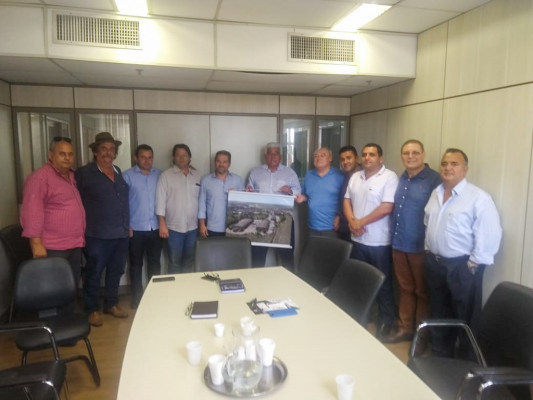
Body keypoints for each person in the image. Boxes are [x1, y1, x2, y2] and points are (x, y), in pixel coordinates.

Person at [424, 148, 502, 357]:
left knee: (465, 318)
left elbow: (489, 235)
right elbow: (428, 223)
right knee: (439, 312)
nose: (448, 167)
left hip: (462, 266)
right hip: (435, 264)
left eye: (454, 164)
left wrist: (472, 265)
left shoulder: (478, 198)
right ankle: (440, 356)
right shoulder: (436, 193)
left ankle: (465, 363)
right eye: (444, 163)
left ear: (465, 169)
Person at [383, 139, 441, 344]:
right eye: (406, 153)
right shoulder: (402, 177)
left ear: (423, 155)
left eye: (415, 152)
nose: (410, 156)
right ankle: (405, 328)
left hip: (420, 246)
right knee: (405, 289)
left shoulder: (434, 179)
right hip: (399, 243)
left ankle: (421, 335)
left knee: (422, 292)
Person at [343, 143, 398, 339]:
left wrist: (360, 222)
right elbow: (347, 200)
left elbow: (387, 207)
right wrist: (352, 221)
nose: (367, 158)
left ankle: (386, 321)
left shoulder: (389, 177)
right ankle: (361, 316)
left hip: (379, 242)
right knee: (360, 280)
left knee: (383, 283)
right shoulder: (356, 176)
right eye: (365, 154)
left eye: (372, 155)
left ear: (380, 158)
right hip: (357, 239)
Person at [75, 132, 130, 327]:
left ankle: (111, 304)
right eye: (104, 149)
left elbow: (122, 201)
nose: (108, 152)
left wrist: (127, 226)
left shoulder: (117, 171)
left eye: (112, 149)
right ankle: (92, 309)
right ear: (96, 152)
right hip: (96, 234)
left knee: (116, 271)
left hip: (121, 233)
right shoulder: (84, 174)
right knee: (94, 272)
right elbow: (75, 203)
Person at [20, 136, 85, 285]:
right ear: (50, 155)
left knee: (71, 286)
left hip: (74, 244)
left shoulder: (70, 176)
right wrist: (36, 242)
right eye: (62, 154)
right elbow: (32, 210)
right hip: (53, 247)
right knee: (54, 287)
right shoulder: (40, 177)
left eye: (70, 154)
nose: (67, 158)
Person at [122, 144, 162, 309]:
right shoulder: (127, 176)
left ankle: (154, 296)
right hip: (135, 229)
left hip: (155, 228)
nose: (147, 160)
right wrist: (127, 225)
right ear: (136, 158)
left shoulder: (159, 175)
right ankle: (137, 298)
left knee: (155, 263)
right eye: (143, 157)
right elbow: (122, 203)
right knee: (136, 265)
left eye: (150, 157)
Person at [156, 144, 200, 273]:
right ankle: (174, 287)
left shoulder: (196, 175)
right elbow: (160, 201)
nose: (181, 158)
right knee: (174, 263)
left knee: (189, 261)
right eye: (178, 155)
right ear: (173, 158)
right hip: (173, 229)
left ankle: (187, 286)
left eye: (184, 155)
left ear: (189, 158)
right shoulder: (166, 176)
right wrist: (162, 224)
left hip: (193, 228)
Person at [296, 147, 344, 238]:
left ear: (330, 158)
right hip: (311, 227)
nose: (318, 158)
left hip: (332, 228)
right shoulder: (309, 175)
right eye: (316, 156)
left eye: (322, 155)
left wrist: (339, 216)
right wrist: (303, 198)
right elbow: (307, 195)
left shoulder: (339, 176)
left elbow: (346, 200)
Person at [198, 150, 244, 238]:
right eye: (218, 161)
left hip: (233, 227)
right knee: (212, 248)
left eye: (224, 162)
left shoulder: (238, 180)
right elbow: (202, 204)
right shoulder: (206, 180)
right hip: (212, 228)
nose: (221, 164)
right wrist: (202, 225)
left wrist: (235, 196)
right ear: (214, 163)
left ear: (229, 164)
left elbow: (242, 205)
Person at [337, 145, 361, 242]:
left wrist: (358, 224)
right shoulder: (344, 176)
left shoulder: (366, 175)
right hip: (344, 227)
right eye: (342, 159)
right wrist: (338, 216)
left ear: (356, 158)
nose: (345, 162)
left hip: (359, 227)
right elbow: (341, 200)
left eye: (348, 158)